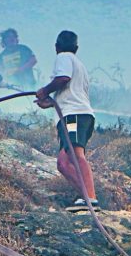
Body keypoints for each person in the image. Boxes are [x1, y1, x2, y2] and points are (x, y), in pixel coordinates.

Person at [34, 30, 98, 213]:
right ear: (77, 48)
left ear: (57, 47)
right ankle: (86, 198)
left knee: (76, 155)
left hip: (75, 115)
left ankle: (91, 198)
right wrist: (50, 102)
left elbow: (63, 78)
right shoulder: (78, 64)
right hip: (75, 115)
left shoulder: (63, 57)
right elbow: (70, 92)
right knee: (63, 163)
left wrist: (45, 90)